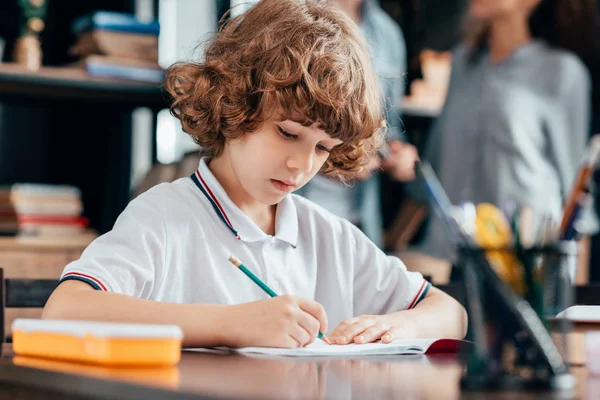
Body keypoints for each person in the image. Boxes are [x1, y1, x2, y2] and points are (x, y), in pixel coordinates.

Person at [42, 0, 467, 349]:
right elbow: (65, 310)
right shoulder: (164, 217)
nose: (302, 165)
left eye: (323, 148)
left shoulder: (329, 238)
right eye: (287, 133)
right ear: (234, 102)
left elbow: (451, 313)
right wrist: (230, 324)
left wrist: (393, 329)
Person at [406, 0, 600, 267]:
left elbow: (576, 195)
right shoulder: (463, 63)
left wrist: (571, 299)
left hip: (523, 266)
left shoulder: (562, 72)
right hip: (450, 260)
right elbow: (433, 169)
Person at [296, 0, 419, 248]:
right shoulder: (290, 18)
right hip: (297, 210)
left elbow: (389, 127)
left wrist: (397, 153)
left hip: (360, 221)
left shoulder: (387, 34)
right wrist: (337, 157)